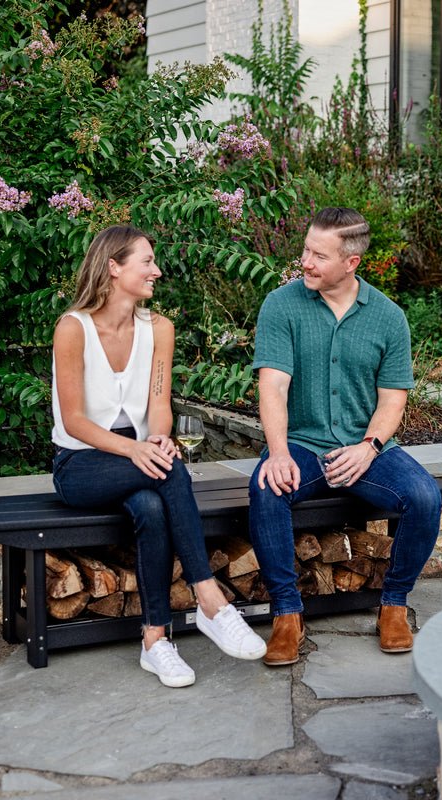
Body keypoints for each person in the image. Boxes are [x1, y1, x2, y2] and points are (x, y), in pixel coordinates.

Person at [51, 225, 266, 687]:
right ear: (114, 267)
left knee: (152, 503)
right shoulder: (73, 329)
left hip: (140, 458)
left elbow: (159, 405)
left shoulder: (159, 329)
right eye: (146, 261)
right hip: (81, 463)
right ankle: (210, 599)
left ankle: (154, 641)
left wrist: (161, 438)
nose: (157, 270)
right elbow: (74, 421)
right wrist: (138, 449)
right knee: (168, 474)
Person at [248, 207, 442, 666]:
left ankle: (394, 604)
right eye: (306, 250)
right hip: (304, 444)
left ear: (351, 262)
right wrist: (277, 454)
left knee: (426, 497)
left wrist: (369, 448)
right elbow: (272, 385)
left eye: (319, 255)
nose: (306, 262)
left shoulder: (389, 318)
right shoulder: (281, 305)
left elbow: (393, 399)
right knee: (267, 490)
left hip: (367, 446)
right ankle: (287, 614)